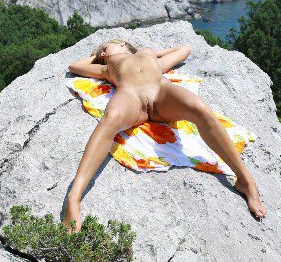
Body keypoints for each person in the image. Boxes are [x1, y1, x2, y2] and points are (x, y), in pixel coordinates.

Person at [63, 38, 266, 232]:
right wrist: (101, 56)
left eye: (104, 48)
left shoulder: (149, 55)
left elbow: (185, 49)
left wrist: (152, 53)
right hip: (130, 97)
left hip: (161, 92)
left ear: (121, 43)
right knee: (111, 118)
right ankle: (74, 197)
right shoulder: (108, 67)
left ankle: (245, 179)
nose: (102, 54)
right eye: (100, 54)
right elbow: (74, 66)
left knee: (200, 107)